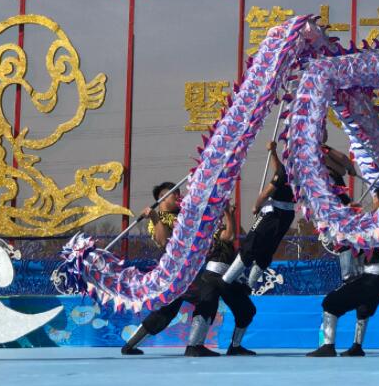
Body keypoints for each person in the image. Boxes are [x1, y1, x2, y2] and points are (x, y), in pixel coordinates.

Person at [121, 182, 256, 357]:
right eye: (174, 194)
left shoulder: (188, 216)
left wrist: (227, 214)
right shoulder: (159, 218)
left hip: (192, 270)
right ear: (162, 198)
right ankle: (194, 345)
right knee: (206, 296)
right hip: (177, 272)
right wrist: (154, 217)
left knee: (167, 310)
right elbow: (164, 242)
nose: (179, 196)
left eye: (179, 193)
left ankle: (130, 345)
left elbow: (225, 237)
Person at [307, 187, 379, 357]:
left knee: (330, 302)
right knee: (364, 308)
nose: (372, 201)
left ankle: (328, 346)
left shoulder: (374, 221)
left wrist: (341, 220)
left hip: (372, 276)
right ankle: (357, 346)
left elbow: (354, 240)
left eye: (374, 198)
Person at [222, 140, 297, 288]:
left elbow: (266, 193)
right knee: (267, 250)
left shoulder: (286, 171)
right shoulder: (300, 172)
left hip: (273, 213)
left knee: (251, 243)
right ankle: (250, 286)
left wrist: (256, 206)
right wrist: (273, 152)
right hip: (287, 215)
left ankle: (226, 280)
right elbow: (279, 171)